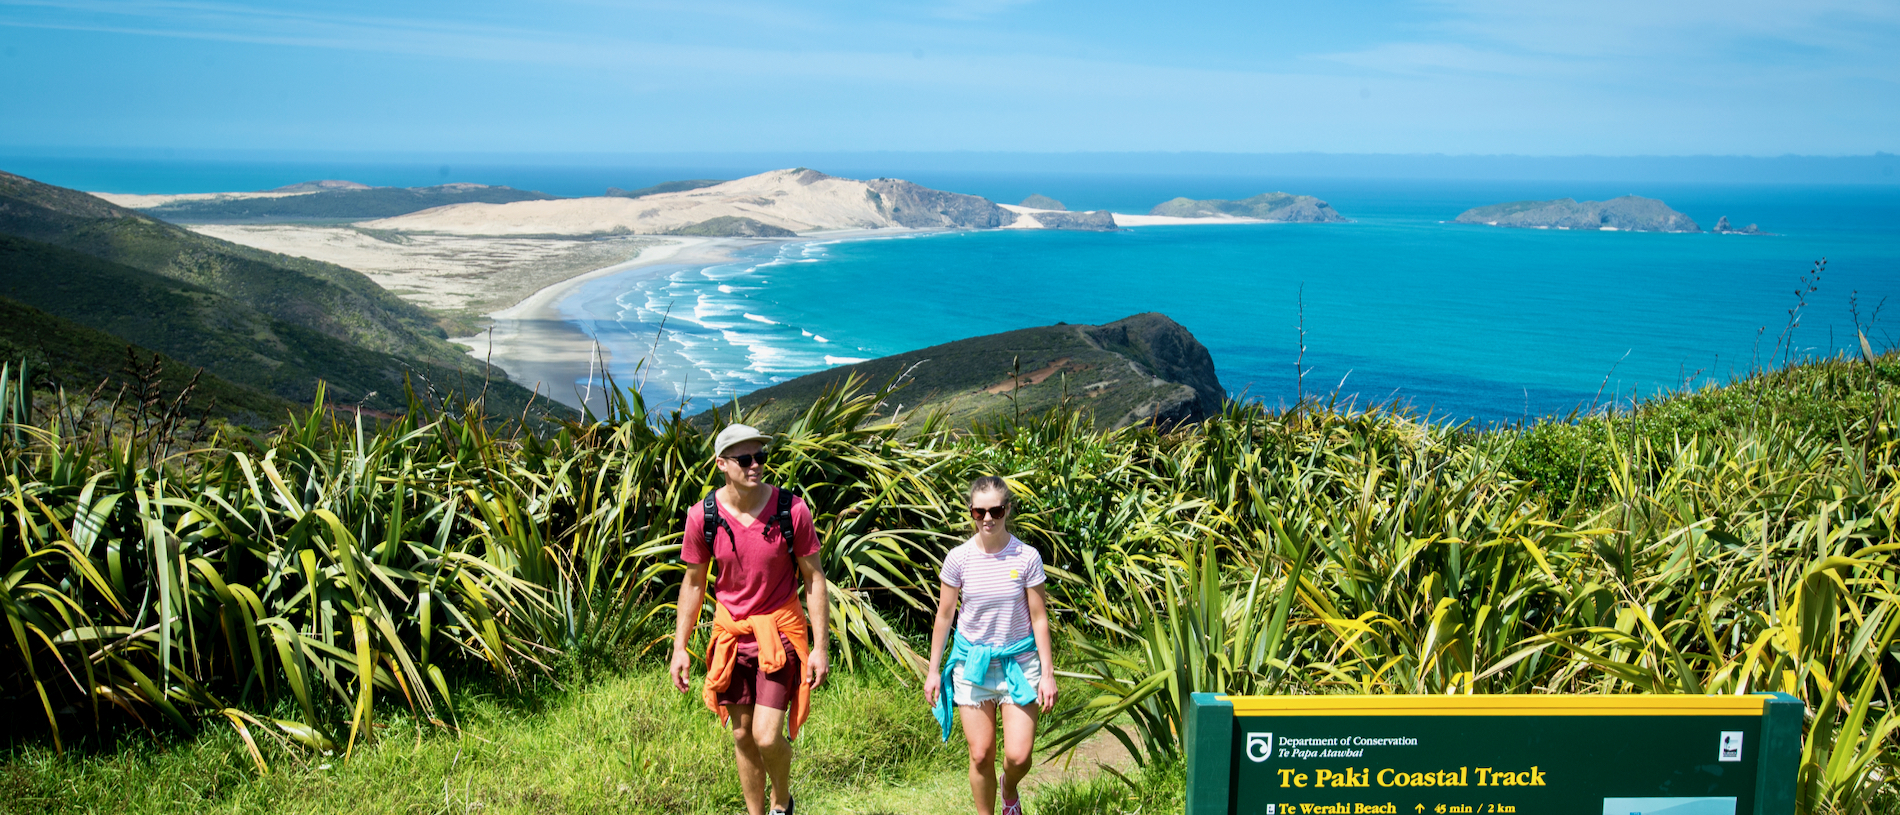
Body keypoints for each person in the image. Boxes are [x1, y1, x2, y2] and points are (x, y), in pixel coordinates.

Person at [670, 423, 830, 815]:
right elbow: (693, 584)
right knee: (742, 734)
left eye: (761, 456)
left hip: (779, 634)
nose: (756, 465)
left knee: (765, 734)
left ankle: (781, 802)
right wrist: (680, 647)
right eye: (745, 459)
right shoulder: (702, 516)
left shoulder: (791, 510)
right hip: (731, 636)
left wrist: (821, 648)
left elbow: (814, 578)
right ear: (722, 464)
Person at [925, 476, 1058, 815]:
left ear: (1007, 509)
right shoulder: (959, 559)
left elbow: (1039, 618)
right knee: (981, 754)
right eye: (979, 511)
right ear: (971, 512)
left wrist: (1047, 674)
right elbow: (944, 616)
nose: (988, 518)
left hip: (1019, 662)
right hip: (973, 664)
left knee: (1018, 755)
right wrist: (933, 671)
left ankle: (1009, 788)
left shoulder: (1027, 557)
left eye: (996, 510)